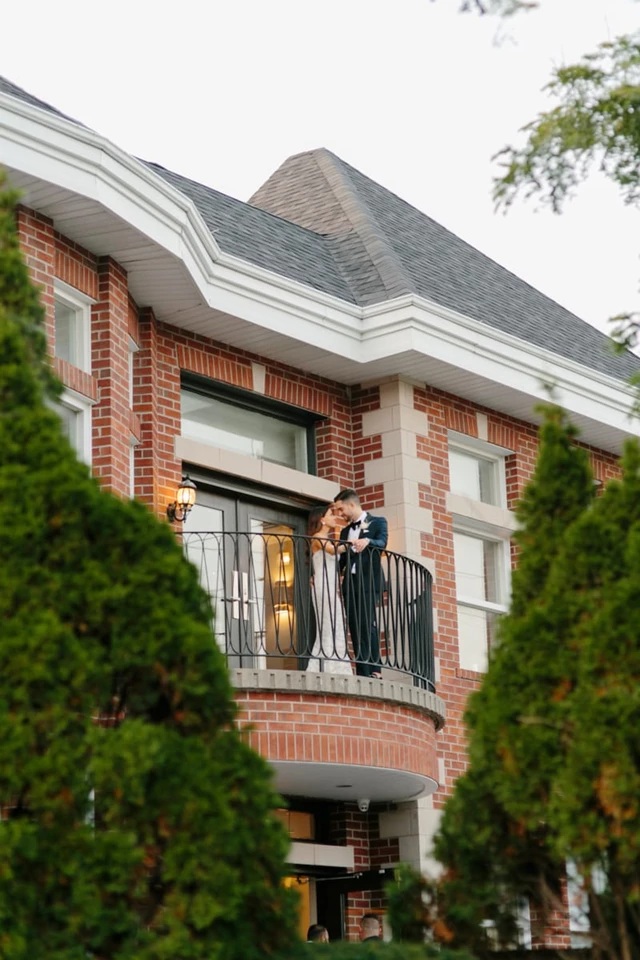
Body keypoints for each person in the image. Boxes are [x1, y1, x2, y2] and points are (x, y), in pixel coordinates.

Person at [334, 489, 388, 679]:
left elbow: (382, 542)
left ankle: (375, 670)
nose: (340, 515)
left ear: (351, 505)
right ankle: (362, 671)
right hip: (350, 583)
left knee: (367, 623)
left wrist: (368, 540)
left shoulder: (378, 522)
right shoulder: (345, 531)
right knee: (355, 627)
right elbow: (340, 563)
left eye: (341, 510)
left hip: (368, 581)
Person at [306, 503, 353, 675]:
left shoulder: (324, 538)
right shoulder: (318, 537)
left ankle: (334, 665)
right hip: (323, 586)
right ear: (322, 520)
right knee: (329, 624)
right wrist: (352, 542)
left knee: (335, 624)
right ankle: (327, 667)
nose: (335, 518)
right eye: (331, 515)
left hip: (329, 586)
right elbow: (332, 551)